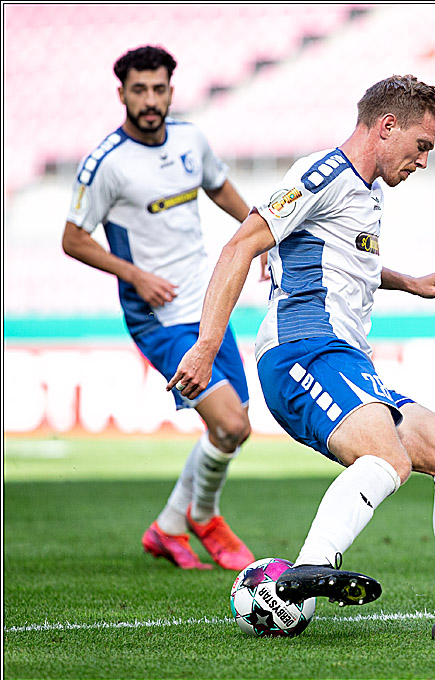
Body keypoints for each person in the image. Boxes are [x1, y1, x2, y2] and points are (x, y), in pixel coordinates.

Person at [168, 74, 435, 641]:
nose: (422, 161)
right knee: (387, 459)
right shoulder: (321, 175)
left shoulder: (369, 190)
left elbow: (348, 260)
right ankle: (306, 569)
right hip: (301, 354)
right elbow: (241, 244)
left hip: (349, 360)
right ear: (387, 127)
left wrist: (409, 281)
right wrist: (205, 345)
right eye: (421, 147)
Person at [62, 45, 257, 572]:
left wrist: (264, 238)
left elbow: (220, 188)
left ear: (171, 89)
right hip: (158, 317)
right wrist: (135, 275)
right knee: (231, 427)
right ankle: (206, 519)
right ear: (122, 93)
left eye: (159, 89)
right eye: (139, 90)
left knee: (234, 422)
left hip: (207, 304)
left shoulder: (191, 140)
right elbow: (73, 239)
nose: (150, 100)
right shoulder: (107, 163)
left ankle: (168, 528)